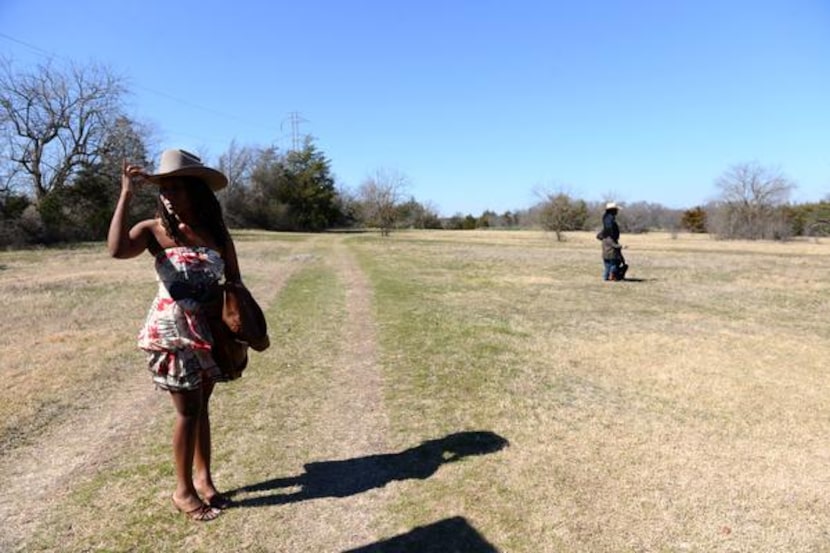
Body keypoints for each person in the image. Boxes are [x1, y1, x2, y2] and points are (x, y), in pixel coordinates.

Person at [108, 149, 241, 521]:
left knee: (202, 409)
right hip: (172, 332)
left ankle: (204, 480)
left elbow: (234, 279)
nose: (167, 196)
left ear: (195, 191)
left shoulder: (215, 231)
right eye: (163, 189)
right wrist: (126, 195)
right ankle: (182, 491)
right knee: (188, 411)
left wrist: (234, 322)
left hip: (210, 330)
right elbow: (117, 250)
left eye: (175, 189)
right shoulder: (153, 230)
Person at [598, 202, 628, 281]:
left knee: (607, 266)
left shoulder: (606, 218)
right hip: (612, 250)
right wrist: (620, 246)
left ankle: (606, 277)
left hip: (606, 250)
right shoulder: (610, 221)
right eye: (616, 210)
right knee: (614, 263)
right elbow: (611, 239)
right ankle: (612, 275)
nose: (617, 212)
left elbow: (601, 235)